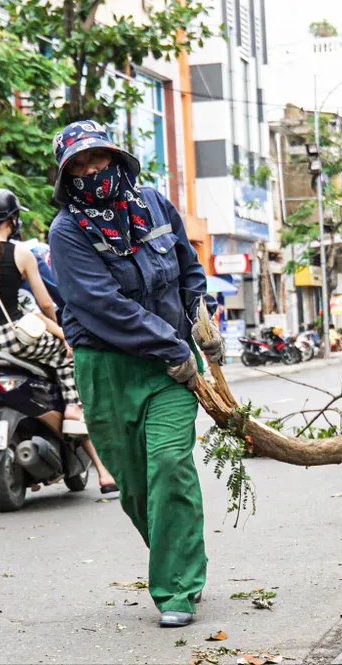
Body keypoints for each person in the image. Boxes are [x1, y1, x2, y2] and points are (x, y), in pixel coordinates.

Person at [47, 120, 220, 629]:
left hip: (169, 366)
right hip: (107, 368)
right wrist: (172, 346)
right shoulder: (67, 233)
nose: (91, 171)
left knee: (170, 466)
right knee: (135, 487)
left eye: (97, 159)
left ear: (116, 158)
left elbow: (188, 267)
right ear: (66, 177)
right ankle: (176, 552)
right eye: (78, 166)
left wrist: (198, 318)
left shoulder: (155, 205)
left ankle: (177, 587)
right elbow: (102, 306)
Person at [0, 188, 115, 504]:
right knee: (62, 357)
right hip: (11, 338)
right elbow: (46, 304)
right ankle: (73, 407)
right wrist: (60, 331)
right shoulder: (22, 254)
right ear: (14, 219)